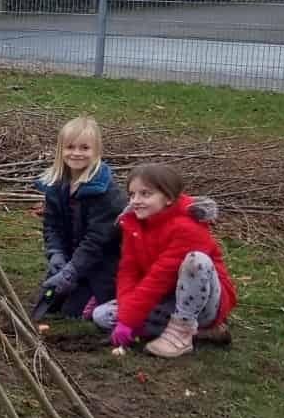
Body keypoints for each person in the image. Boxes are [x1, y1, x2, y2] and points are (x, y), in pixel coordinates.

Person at [93, 163, 236, 359]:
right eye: (132, 194)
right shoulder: (133, 224)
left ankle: (183, 332)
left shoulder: (187, 227)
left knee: (197, 261)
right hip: (167, 298)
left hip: (203, 303)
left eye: (145, 194)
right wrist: (126, 318)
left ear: (168, 197)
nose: (135, 201)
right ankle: (203, 332)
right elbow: (128, 272)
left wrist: (129, 320)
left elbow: (159, 278)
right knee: (102, 315)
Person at [32, 116, 126, 320]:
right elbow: (51, 226)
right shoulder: (56, 186)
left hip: (101, 267)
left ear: (96, 150)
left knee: (73, 312)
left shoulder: (107, 193)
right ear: (61, 150)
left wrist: (71, 271)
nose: (76, 153)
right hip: (71, 261)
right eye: (70, 147)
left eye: (84, 148)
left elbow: (96, 241)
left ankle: (105, 297)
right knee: (51, 304)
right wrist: (56, 254)